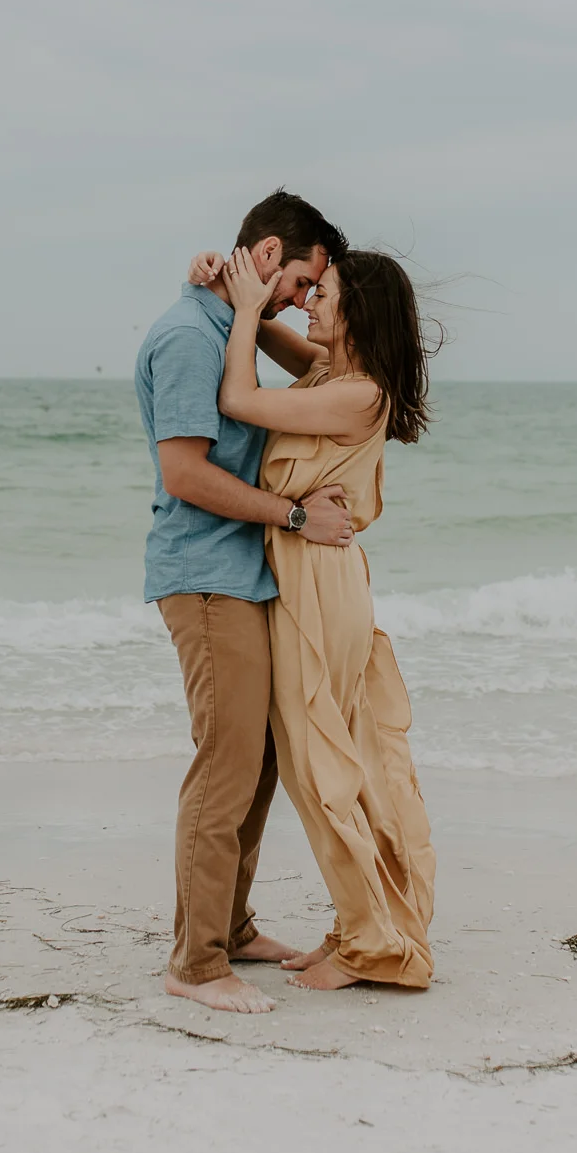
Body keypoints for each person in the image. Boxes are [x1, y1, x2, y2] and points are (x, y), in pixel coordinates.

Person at [191, 240, 437, 991]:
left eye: (322, 293)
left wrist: (238, 314)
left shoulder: (356, 391)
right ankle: (356, 927)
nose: (309, 301)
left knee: (321, 761)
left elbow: (237, 400)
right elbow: (275, 335)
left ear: (357, 312)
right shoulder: (331, 370)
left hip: (318, 578)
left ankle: (372, 943)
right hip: (308, 572)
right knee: (329, 760)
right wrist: (240, 299)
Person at [134, 190, 354, 1015]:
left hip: (240, 572)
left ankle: (228, 927)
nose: (303, 303)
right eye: (299, 283)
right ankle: (194, 965)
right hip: (204, 575)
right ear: (266, 256)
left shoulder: (220, 326)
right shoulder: (191, 339)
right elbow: (185, 475)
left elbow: (315, 371)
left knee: (256, 762)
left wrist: (251, 309)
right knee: (224, 769)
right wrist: (295, 515)